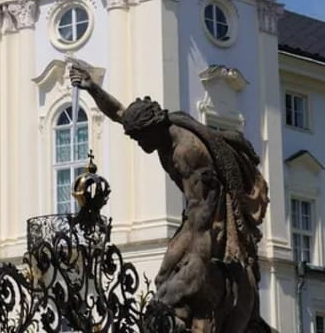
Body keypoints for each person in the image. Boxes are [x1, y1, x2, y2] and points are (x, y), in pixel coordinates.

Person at [69, 64, 270, 332]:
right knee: (165, 279)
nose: (140, 145)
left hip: (212, 216)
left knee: (171, 286)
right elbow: (119, 113)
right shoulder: (158, 130)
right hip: (196, 212)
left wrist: (183, 267)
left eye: (141, 139)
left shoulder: (186, 154)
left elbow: (200, 224)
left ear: (153, 127)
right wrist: (93, 88)